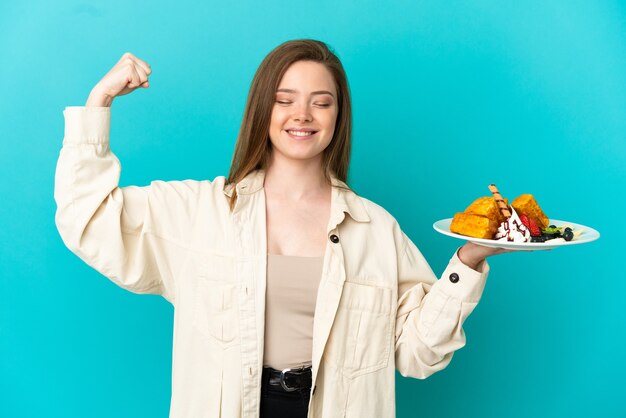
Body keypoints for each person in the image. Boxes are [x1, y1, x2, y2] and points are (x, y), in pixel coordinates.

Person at [54, 39, 507, 418]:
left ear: (338, 116)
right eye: (284, 100)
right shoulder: (198, 212)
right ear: (261, 109)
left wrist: (468, 261)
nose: (303, 115)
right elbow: (86, 218)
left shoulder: (376, 229)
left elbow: (417, 354)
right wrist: (100, 102)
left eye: (321, 102)